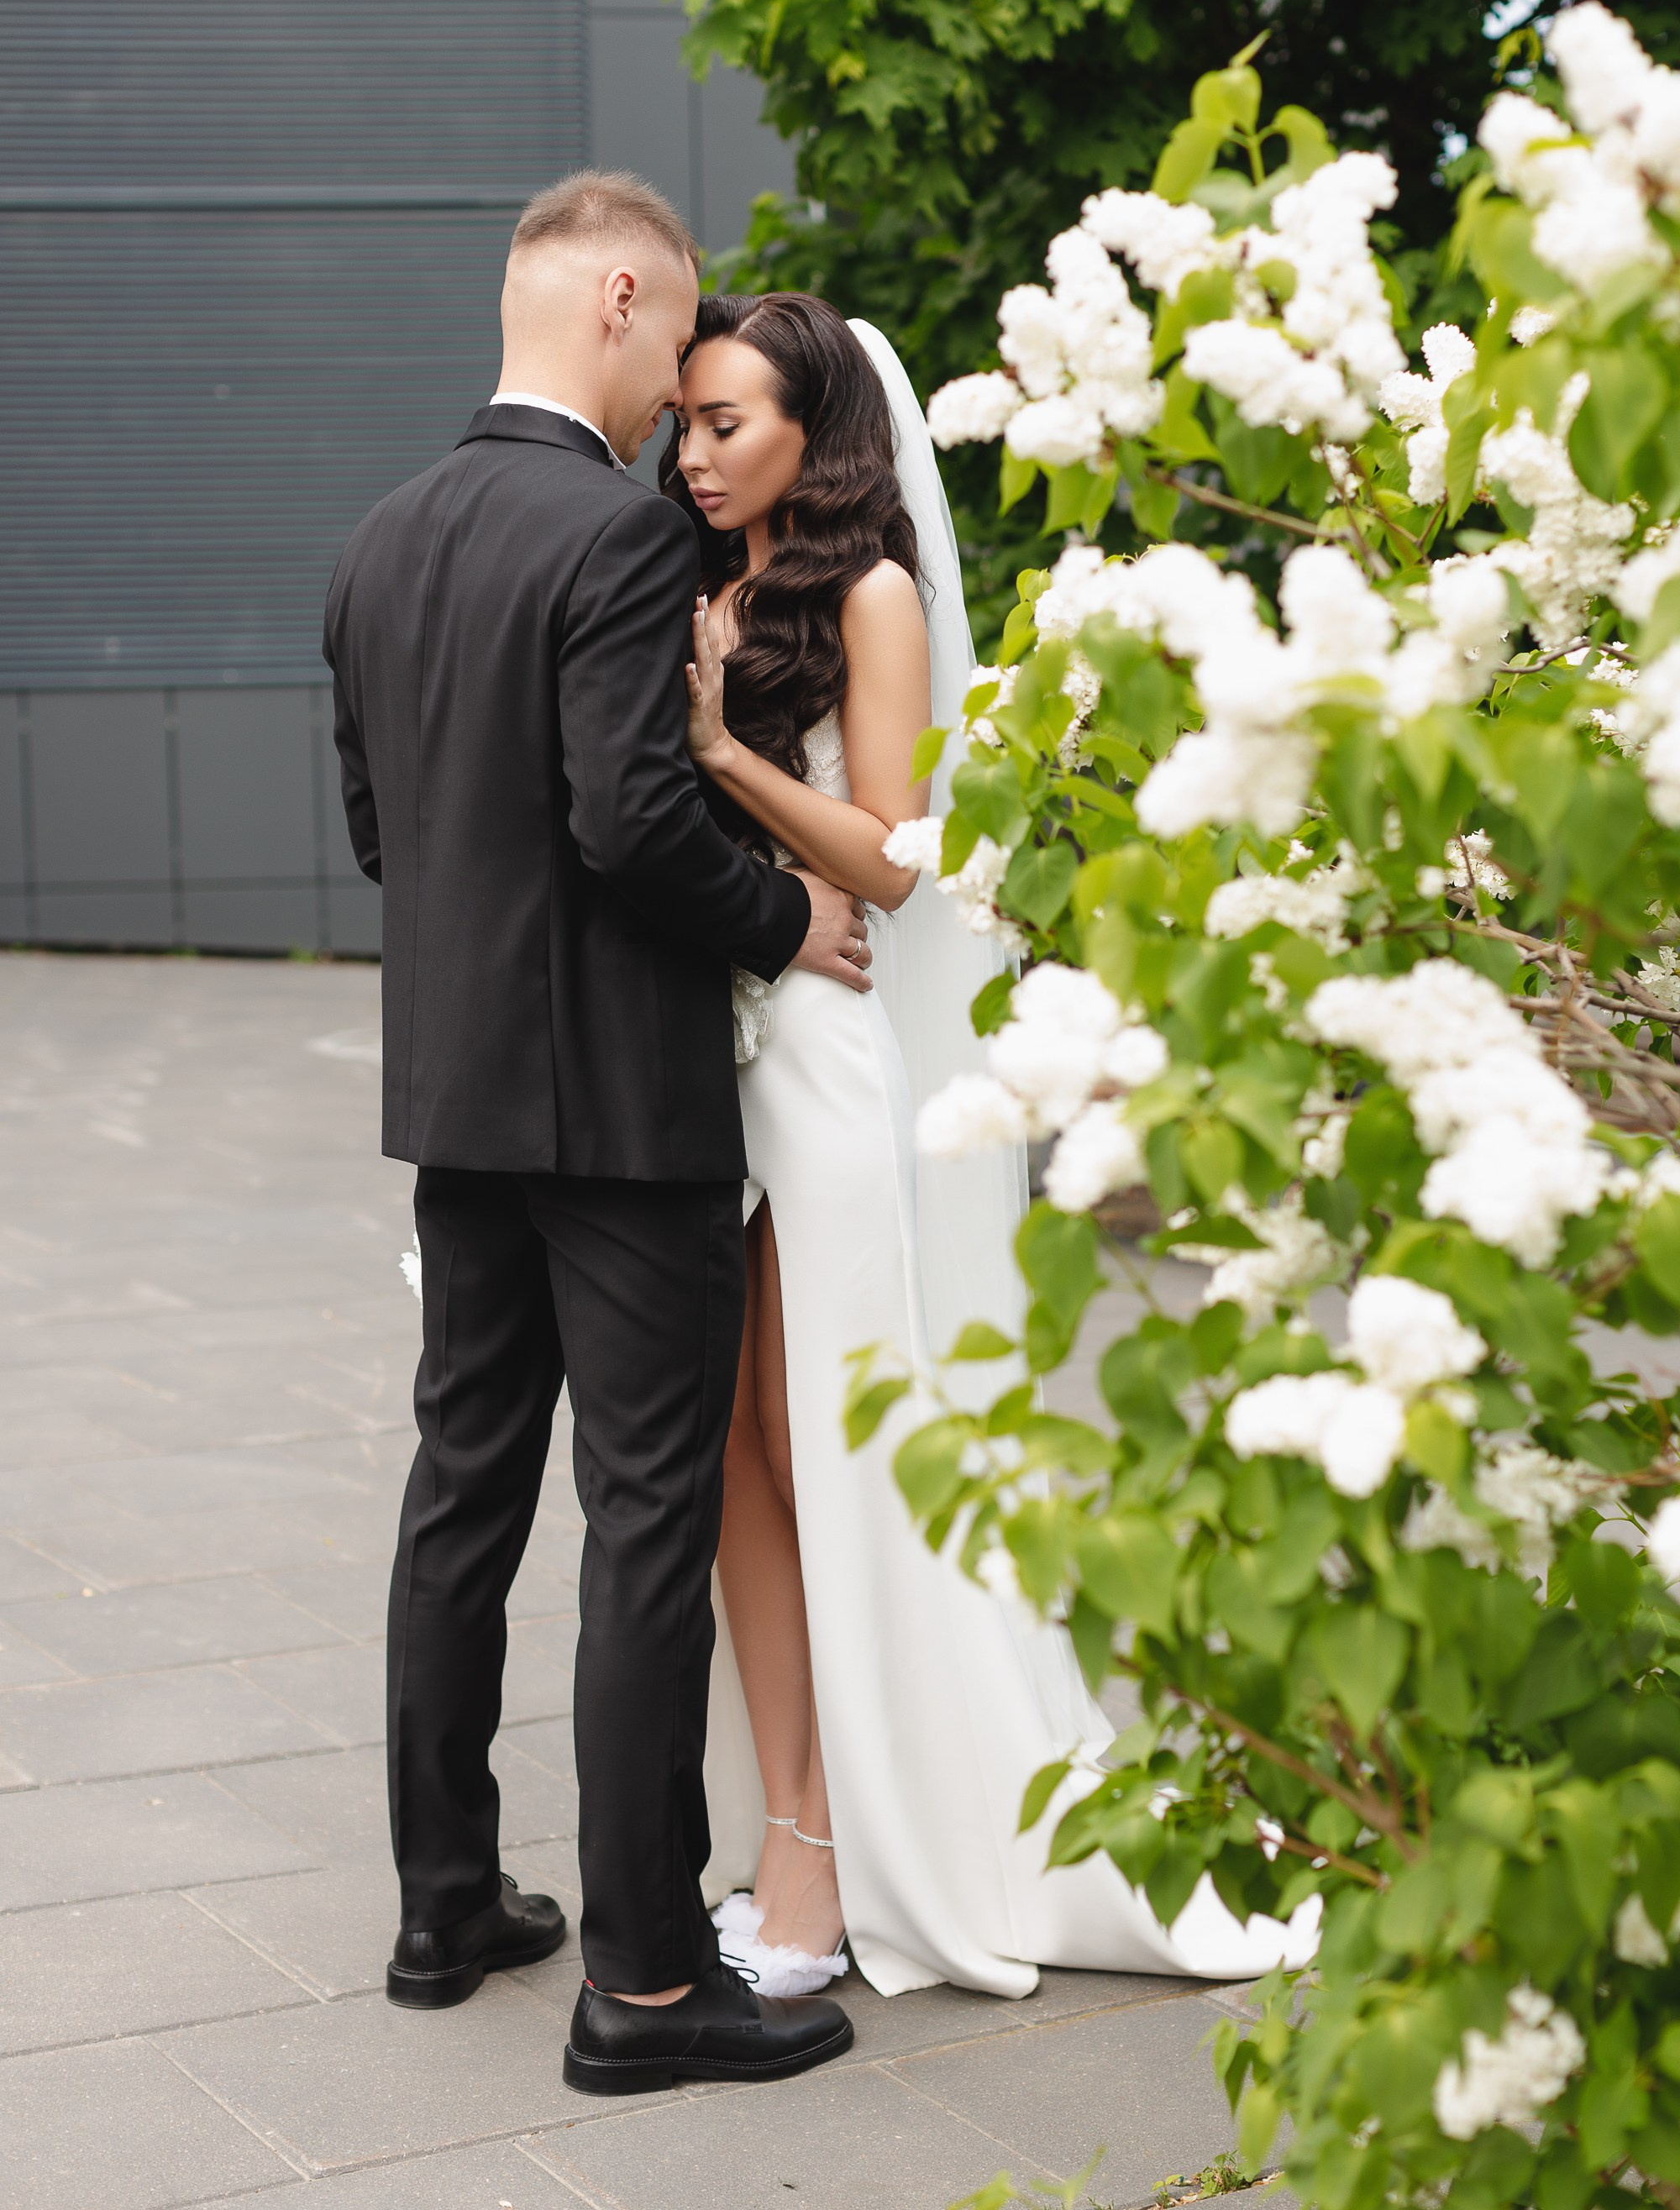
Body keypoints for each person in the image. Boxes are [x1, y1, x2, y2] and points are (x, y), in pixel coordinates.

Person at [664, 291, 1318, 2001]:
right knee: (728, 1452)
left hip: (827, 1064)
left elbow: (896, 858)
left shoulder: (871, 595)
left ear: (812, 427)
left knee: (823, 1449)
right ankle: (788, 1820)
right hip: (715, 1061)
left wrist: (720, 749)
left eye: (727, 424)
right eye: (686, 425)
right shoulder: (697, 585)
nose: (696, 455)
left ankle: (847, 1857)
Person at [322, 176, 859, 2095]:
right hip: (623, 1113)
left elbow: (383, 837)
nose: (673, 397)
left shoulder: (380, 539)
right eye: (678, 337)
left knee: (461, 1492)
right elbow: (629, 820)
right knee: (645, 1517)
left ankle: (444, 1904)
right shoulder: (618, 536)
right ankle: (640, 1984)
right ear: (623, 295)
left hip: (456, 1102)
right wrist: (786, 917)